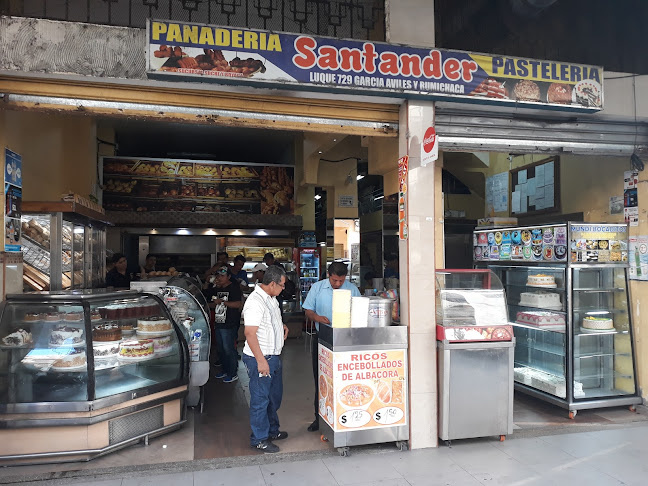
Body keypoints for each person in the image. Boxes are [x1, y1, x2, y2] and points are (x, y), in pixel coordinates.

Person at [302, 261, 360, 431]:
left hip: (346, 340)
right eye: (335, 280)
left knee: (345, 379)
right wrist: (317, 318)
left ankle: (346, 416)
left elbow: (358, 311)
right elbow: (308, 310)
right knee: (321, 378)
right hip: (323, 339)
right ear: (329, 275)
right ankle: (319, 418)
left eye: (341, 281)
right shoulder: (317, 288)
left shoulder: (352, 289)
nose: (337, 284)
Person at [242, 265, 289, 453]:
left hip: (274, 357)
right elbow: (250, 333)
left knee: (273, 397)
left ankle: (272, 430)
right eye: (282, 285)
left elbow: (268, 322)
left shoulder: (271, 298)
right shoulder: (255, 302)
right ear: (271, 284)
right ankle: (259, 438)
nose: (283, 288)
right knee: (261, 400)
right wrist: (261, 361)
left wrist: (281, 326)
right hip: (261, 358)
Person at [204, 265, 243, 383]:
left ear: (229, 277)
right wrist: (207, 282)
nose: (220, 278)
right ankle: (225, 370)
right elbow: (206, 293)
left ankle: (232, 372)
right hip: (219, 322)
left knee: (228, 349)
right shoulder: (217, 288)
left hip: (229, 323)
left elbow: (238, 304)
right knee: (221, 349)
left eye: (222, 276)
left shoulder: (234, 288)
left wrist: (223, 302)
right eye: (218, 276)